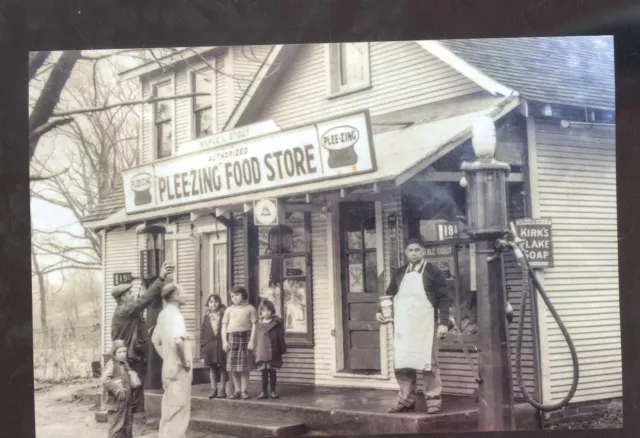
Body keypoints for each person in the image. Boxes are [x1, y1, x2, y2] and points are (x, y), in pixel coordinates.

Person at [376, 238, 451, 414]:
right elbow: (389, 294)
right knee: (402, 363)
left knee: (428, 363)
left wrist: (443, 324)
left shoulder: (434, 272)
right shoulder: (399, 273)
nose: (414, 253)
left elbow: (444, 298)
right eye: (410, 250)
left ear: (423, 252)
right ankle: (406, 400)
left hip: (426, 324)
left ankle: (433, 400)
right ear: (406, 253)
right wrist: (380, 310)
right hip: (403, 325)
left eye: (417, 250)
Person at [110, 261, 174, 416]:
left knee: (135, 384)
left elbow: (143, 303)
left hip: (130, 353)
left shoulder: (124, 310)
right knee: (134, 384)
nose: (132, 295)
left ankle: (135, 415)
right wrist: (160, 278)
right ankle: (135, 416)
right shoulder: (127, 309)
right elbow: (144, 300)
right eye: (129, 294)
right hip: (130, 355)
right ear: (123, 297)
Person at [151, 282, 193, 438]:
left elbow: (155, 341)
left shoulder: (163, 314)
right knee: (179, 411)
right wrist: (183, 362)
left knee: (169, 410)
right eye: (183, 292)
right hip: (179, 370)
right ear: (175, 296)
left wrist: (167, 357)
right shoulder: (176, 316)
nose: (186, 295)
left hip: (168, 368)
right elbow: (178, 341)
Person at [222, 285, 258, 400]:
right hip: (232, 338)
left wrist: (252, 341)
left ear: (243, 295)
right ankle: (237, 390)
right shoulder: (229, 310)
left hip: (245, 338)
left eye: (237, 295)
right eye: (232, 296)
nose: (234, 298)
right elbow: (224, 326)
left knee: (244, 367)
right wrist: (224, 341)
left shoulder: (250, 308)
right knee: (233, 367)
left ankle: (244, 391)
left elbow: (255, 325)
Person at [101, 339, 140, 438]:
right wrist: (117, 389)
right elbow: (105, 380)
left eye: (124, 351)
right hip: (116, 403)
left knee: (127, 425)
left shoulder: (124, 364)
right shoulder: (111, 365)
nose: (123, 354)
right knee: (116, 426)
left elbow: (129, 377)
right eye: (119, 352)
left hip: (126, 401)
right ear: (114, 353)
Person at [254, 299, 287, 399]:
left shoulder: (277, 323)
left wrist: (281, 349)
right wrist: (256, 351)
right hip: (262, 352)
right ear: (261, 312)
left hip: (274, 350)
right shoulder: (258, 324)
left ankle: (273, 390)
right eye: (264, 311)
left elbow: (281, 338)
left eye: (268, 310)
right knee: (264, 372)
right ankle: (263, 391)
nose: (266, 313)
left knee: (272, 372)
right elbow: (256, 338)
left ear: (272, 311)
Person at [200, 293, 228, 399]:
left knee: (222, 368)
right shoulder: (206, 317)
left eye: (216, 301)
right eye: (211, 302)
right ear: (208, 304)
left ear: (220, 303)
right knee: (212, 369)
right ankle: (214, 389)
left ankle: (222, 390)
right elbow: (203, 333)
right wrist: (203, 346)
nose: (214, 304)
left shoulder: (223, 315)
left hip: (221, 345)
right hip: (210, 347)